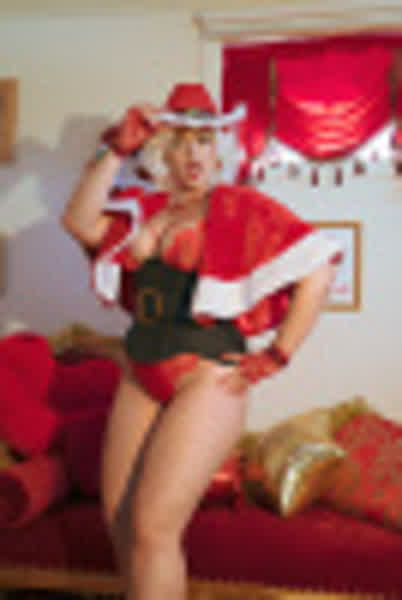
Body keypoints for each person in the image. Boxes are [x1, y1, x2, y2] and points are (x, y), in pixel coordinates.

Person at [61, 82, 342, 600]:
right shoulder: (142, 207)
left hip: (206, 375)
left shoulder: (241, 206)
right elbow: (78, 221)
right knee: (119, 519)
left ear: (220, 152)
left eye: (206, 142)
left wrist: (278, 353)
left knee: (153, 528)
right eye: (182, 142)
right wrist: (115, 149)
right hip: (140, 368)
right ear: (163, 152)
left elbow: (318, 268)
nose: (195, 154)